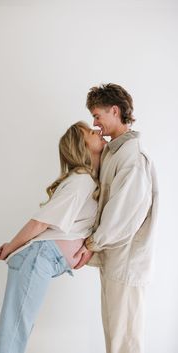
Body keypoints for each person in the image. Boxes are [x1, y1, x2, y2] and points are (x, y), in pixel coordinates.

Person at [0, 121, 106, 353]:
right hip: (37, 257)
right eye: (91, 133)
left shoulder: (87, 181)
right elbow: (40, 223)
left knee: (15, 330)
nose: (98, 132)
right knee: (15, 332)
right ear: (81, 147)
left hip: (41, 259)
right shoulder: (81, 181)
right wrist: (10, 248)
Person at [74, 83, 158, 353]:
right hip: (114, 261)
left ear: (114, 110)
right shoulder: (113, 153)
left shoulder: (132, 158)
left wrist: (91, 244)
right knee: (115, 338)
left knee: (125, 342)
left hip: (127, 263)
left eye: (97, 116)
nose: (95, 123)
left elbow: (122, 213)